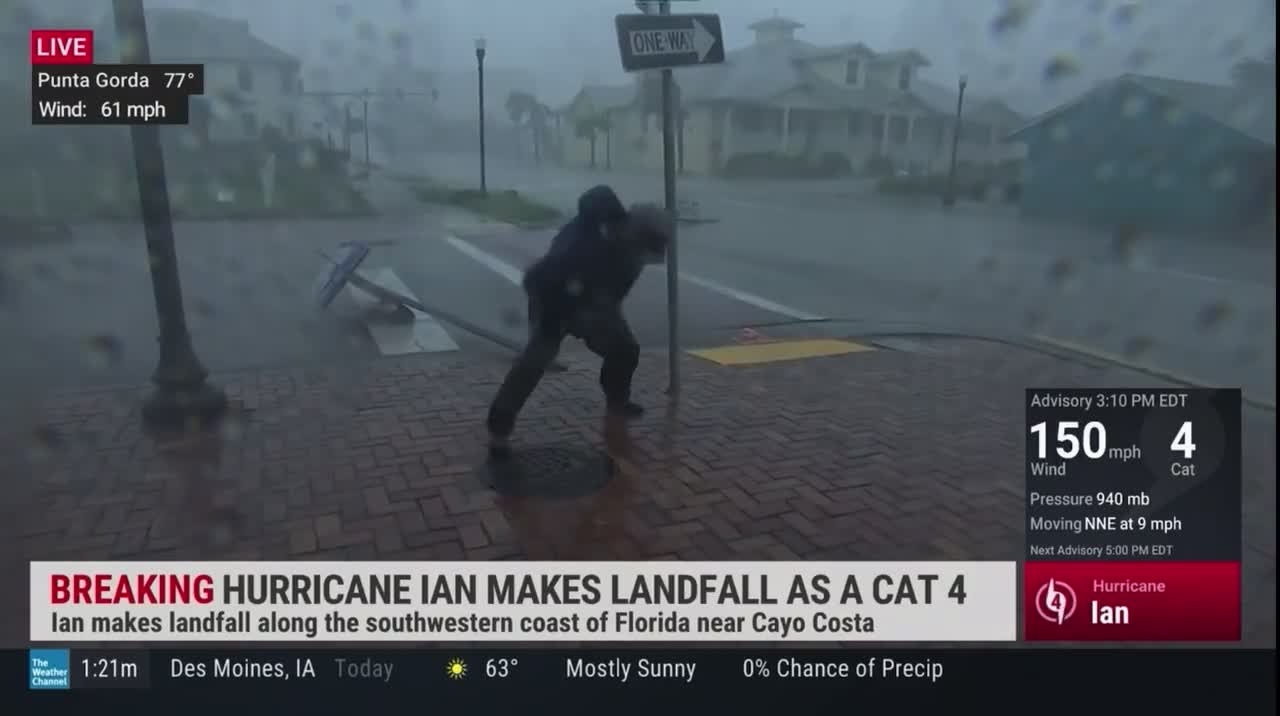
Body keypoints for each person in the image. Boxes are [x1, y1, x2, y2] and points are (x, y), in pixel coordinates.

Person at [487, 185, 672, 458]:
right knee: (534, 362)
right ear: (633, 234)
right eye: (646, 249)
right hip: (553, 301)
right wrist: (553, 321)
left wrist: (603, 312)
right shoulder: (577, 247)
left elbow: (617, 288)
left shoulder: (631, 249)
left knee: (625, 349)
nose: (646, 258)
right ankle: (499, 428)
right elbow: (535, 280)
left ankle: (617, 402)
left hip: (595, 303)